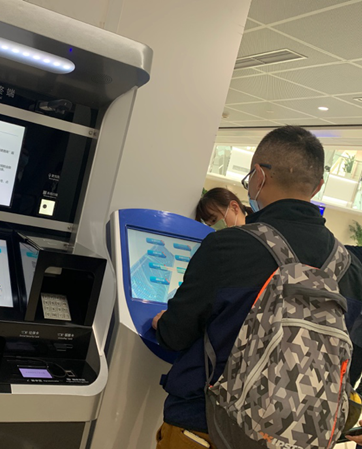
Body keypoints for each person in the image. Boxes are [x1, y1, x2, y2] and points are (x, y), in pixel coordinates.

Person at [151, 126, 362, 449]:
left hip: (207, 428)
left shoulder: (227, 247)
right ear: (318, 186)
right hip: (297, 438)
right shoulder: (351, 268)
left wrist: (161, 323)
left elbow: (175, 335)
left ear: (258, 176)